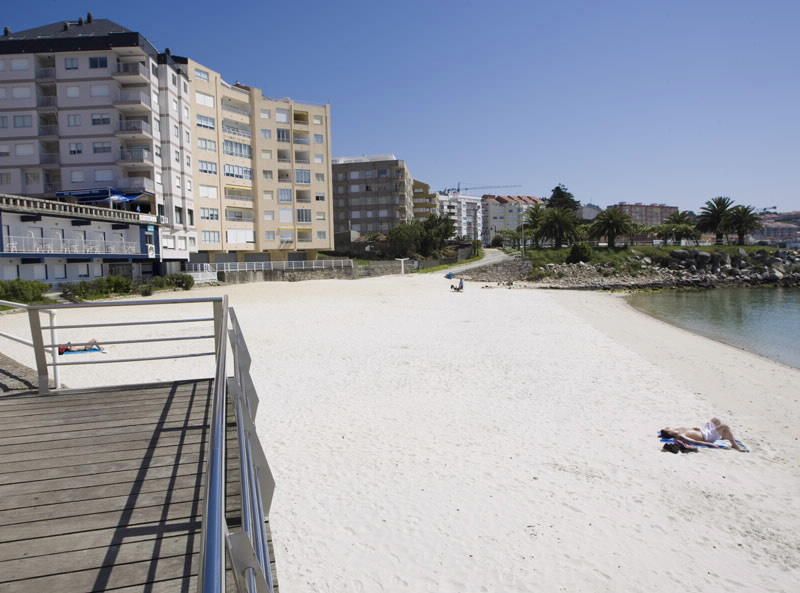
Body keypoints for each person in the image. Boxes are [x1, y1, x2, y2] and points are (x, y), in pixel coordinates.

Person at [661, 418, 745, 452]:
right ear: (670, 433)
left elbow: (689, 430)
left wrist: (694, 429)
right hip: (707, 437)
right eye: (668, 429)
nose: (669, 427)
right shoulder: (679, 435)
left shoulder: (678, 429)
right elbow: (694, 442)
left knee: (715, 420)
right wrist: (710, 444)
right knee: (724, 426)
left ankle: (724, 436)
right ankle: (735, 445)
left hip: (703, 431)